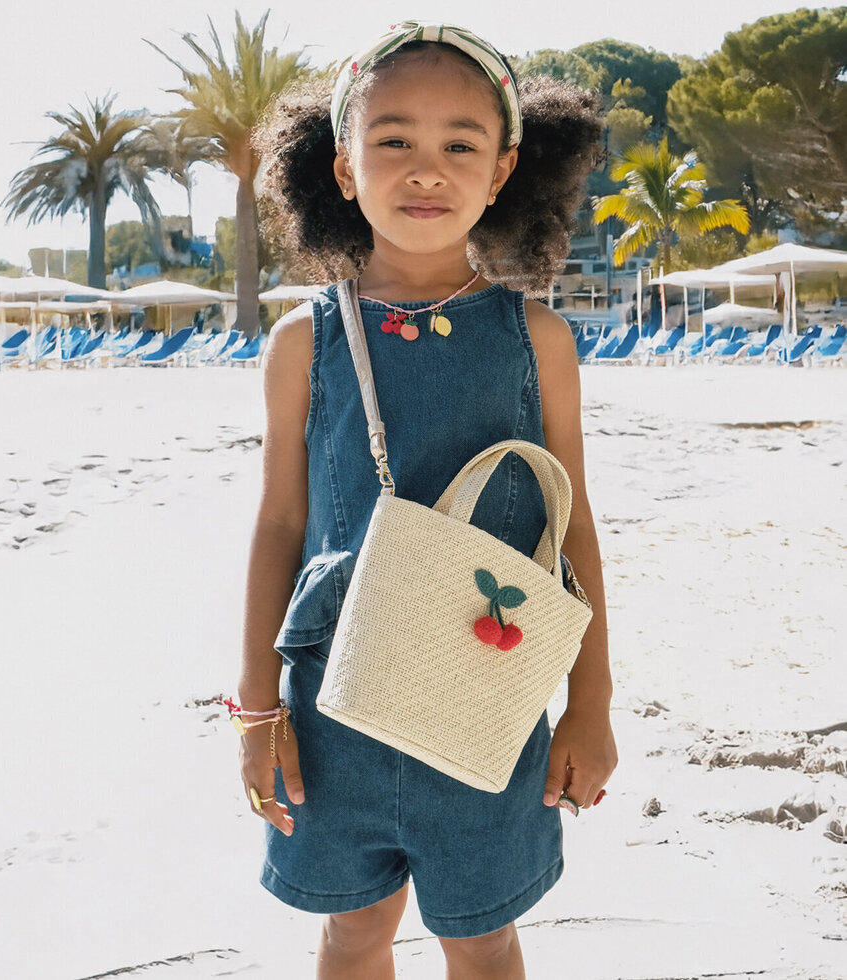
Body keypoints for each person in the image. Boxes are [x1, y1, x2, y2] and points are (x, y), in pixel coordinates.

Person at [235, 21, 618, 979]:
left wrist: (592, 702)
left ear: (503, 172)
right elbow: (280, 524)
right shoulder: (302, 342)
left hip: (491, 689)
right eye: (394, 138)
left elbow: (574, 528)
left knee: (482, 936)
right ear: (342, 166)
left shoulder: (538, 339)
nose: (426, 169)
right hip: (331, 704)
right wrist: (256, 710)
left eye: (460, 144)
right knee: (352, 930)